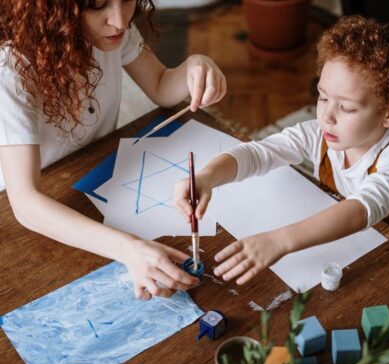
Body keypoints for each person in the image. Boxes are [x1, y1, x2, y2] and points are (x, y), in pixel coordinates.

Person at [174, 15, 389, 286]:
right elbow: (259, 153)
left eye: (346, 107)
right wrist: (206, 177)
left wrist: (279, 241)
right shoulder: (319, 133)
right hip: (334, 249)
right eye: (323, 97)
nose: (327, 116)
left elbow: (361, 209)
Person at [0, 0, 226, 300]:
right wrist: (129, 249)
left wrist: (195, 66)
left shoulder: (112, 32)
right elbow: (26, 203)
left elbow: (160, 86)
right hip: (39, 210)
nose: (119, 21)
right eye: (96, 5)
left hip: (99, 171)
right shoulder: (10, 68)